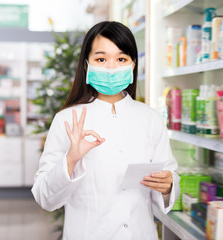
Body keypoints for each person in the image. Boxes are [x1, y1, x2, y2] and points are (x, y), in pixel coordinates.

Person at [32, 21, 180, 240]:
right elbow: (45, 197)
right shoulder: (67, 119)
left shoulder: (150, 119)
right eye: (101, 59)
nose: (111, 67)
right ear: (86, 65)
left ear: (132, 65)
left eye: (121, 59)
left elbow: (168, 179)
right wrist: (71, 159)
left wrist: (168, 186)